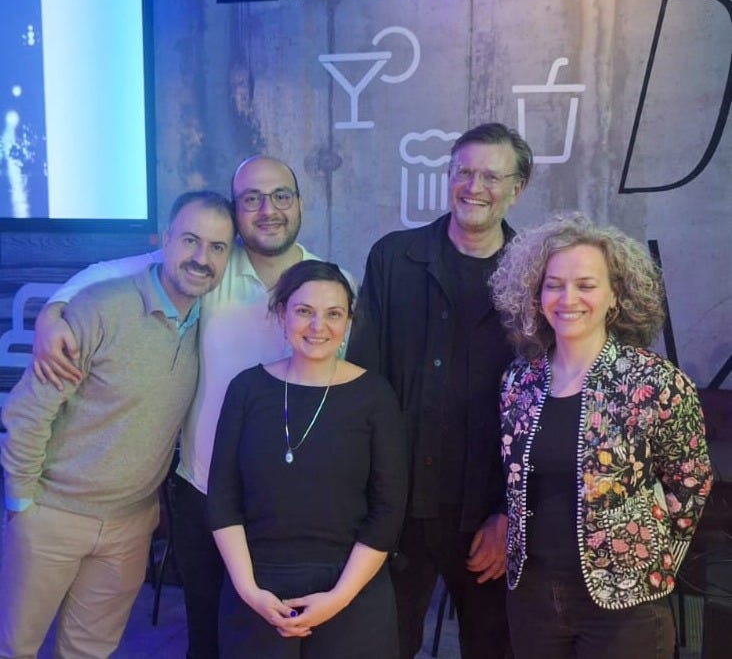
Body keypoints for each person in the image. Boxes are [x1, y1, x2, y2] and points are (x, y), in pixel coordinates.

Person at [29, 155, 352, 659]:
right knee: (205, 632)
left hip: (289, 499)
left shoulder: (330, 284)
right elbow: (107, 274)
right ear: (236, 210)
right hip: (202, 489)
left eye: (280, 196)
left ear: (300, 202)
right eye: (252, 199)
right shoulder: (211, 266)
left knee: (276, 637)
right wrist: (52, 313)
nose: (268, 210)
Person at [0, 191, 235, 659]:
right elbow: (29, 411)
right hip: (52, 512)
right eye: (190, 240)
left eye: (216, 247)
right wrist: (22, 502)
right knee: (15, 647)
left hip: (131, 525)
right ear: (164, 240)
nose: (201, 258)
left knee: (89, 651)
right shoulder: (102, 306)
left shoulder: (212, 325)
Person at [489, 212, 713, 659]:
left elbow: (691, 482)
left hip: (626, 607)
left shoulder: (655, 382)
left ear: (615, 296)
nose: (567, 298)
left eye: (586, 285)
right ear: (537, 295)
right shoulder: (519, 381)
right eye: (554, 284)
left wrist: (650, 560)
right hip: (532, 597)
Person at [347, 122, 533, 659]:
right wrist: (369, 499)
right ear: (449, 175)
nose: (474, 187)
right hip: (399, 507)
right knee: (383, 646)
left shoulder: (535, 274)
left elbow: (542, 410)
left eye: (491, 177)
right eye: (463, 172)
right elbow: (363, 383)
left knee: (492, 647)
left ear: (516, 188)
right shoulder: (393, 258)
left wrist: (508, 516)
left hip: (486, 514)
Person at [207, 259, 407, 658]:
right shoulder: (246, 389)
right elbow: (223, 498)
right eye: (304, 311)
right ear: (282, 314)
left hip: (351, 585)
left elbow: (388, 509)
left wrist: (339, 597)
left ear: (348, 320)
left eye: (333, 314)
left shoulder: (375, 396)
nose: (319, 326)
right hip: (258, 585)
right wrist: (249, 591)